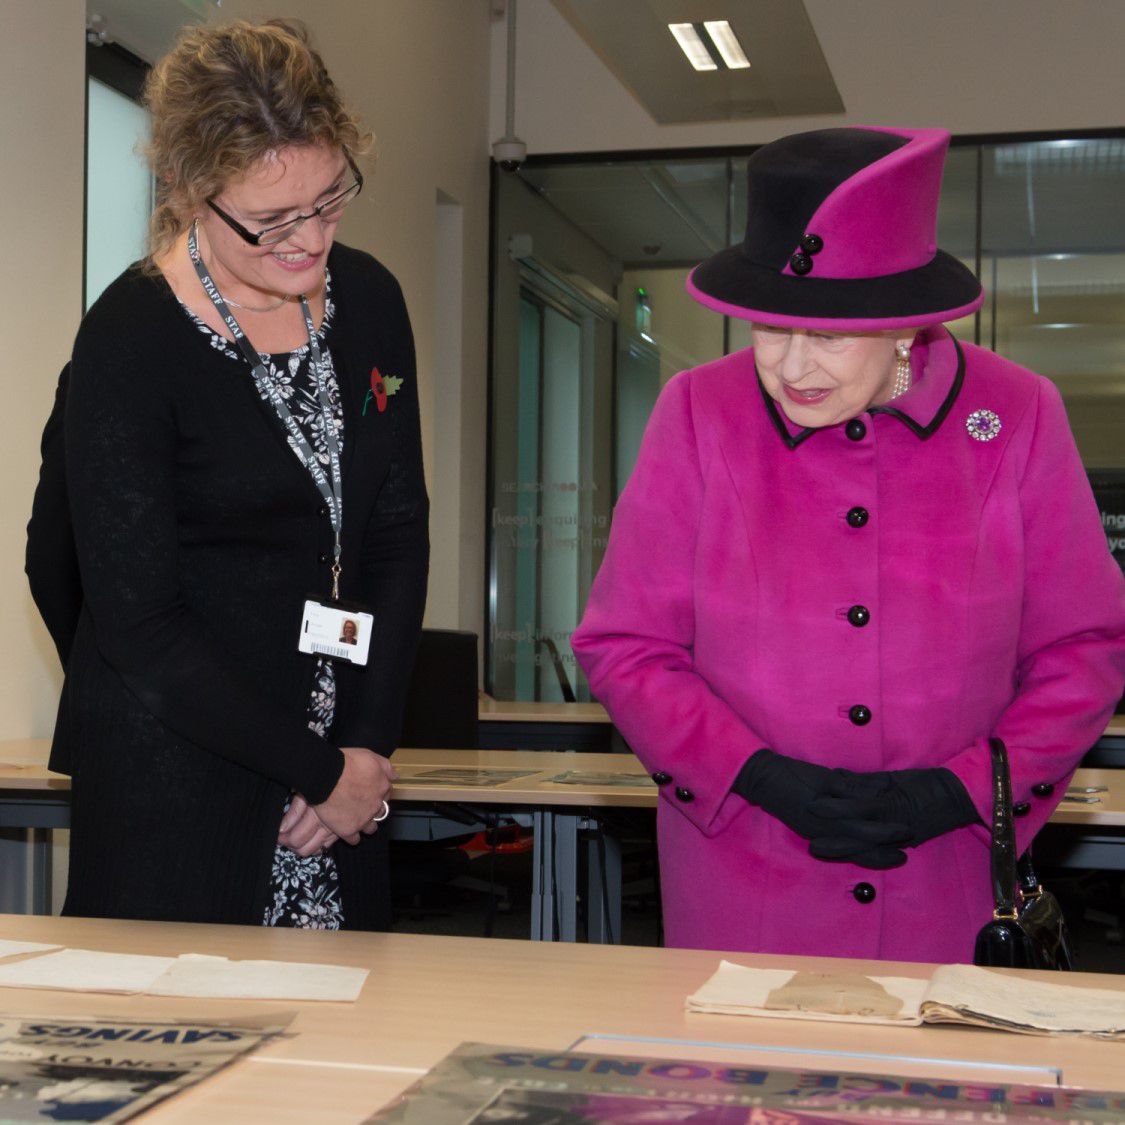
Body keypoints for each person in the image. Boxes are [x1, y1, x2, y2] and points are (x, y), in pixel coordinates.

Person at [571, 126, 1125, 963]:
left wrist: (959, 789)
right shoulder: (697, 412)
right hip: (745, 875)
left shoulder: (1015, 415)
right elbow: (627, 643)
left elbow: (1081, 648)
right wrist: (758, 775)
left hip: (947, 878)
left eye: (827, 336)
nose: (793, 367)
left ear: (906, 327)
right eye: (768, 330)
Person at [27, 19, 428, 929]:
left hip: (341, 789)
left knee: (341, 1054)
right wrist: (314, 766)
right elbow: (126, 613)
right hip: (181, 781)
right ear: (189, 190)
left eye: (328, 200)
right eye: (271, 218)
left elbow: (396, 531)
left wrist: (360, 751)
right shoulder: (131, 340)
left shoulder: (369, 302)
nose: (309, 240)